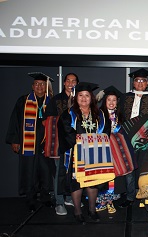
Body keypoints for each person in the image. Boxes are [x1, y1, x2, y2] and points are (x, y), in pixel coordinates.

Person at [58, 82, 113, 224]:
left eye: (87, 96)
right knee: (76, 182)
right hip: (76, 154)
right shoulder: (69, 114)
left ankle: (92, 210)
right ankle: (77, 211)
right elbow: (66, 131)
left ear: (92, 98)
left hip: (95, 153)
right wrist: (81, 141)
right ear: (76, 98)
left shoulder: (100, 114)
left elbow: (106, 130)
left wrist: (95, 141)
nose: (83, 98)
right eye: (80, 95)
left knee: (93, 182)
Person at [6, 72, 54, 212]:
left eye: (42, 84)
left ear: (46, 87)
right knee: (29, 171)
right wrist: (14, 140)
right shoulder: (23, 101)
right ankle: (30, 198)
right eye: (37, 84)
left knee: (45, 170)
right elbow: (14, 121)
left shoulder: (51, 101)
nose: (39, 86)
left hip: (44, 143)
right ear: (32, 86)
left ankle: (45, 197)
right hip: (28, 142)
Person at [118, 68, 148, 208]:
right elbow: (120, 116)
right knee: (129, 167)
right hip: (127, 137)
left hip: (146, 139)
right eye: (137, 80)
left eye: (143, 81)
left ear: (147, 83)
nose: (140, 83)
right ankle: (130, 196)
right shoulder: (125, 97)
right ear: (133, 82)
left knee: (145, 167)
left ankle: (146, 196)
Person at [96, 86, 136, 214]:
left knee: (128, 171)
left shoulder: (121, 116)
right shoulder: (98, 116)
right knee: (106, 174)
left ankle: (126, 198)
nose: (112, 103)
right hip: (104, 148)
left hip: (121, 148)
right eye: (109, 100)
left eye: (114, 100)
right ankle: (105, 200)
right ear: (104, 101)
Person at [43, 72, 79, 216]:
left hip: (74, 143)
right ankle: (59, 201)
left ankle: (69, 197)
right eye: (68, 81)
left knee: (72, 171)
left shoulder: (80, 99)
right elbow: (47, 121)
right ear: (64, 83)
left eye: (74, 81)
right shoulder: (56, 100)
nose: (71, 84)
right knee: (59, 172)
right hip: (59, 142)